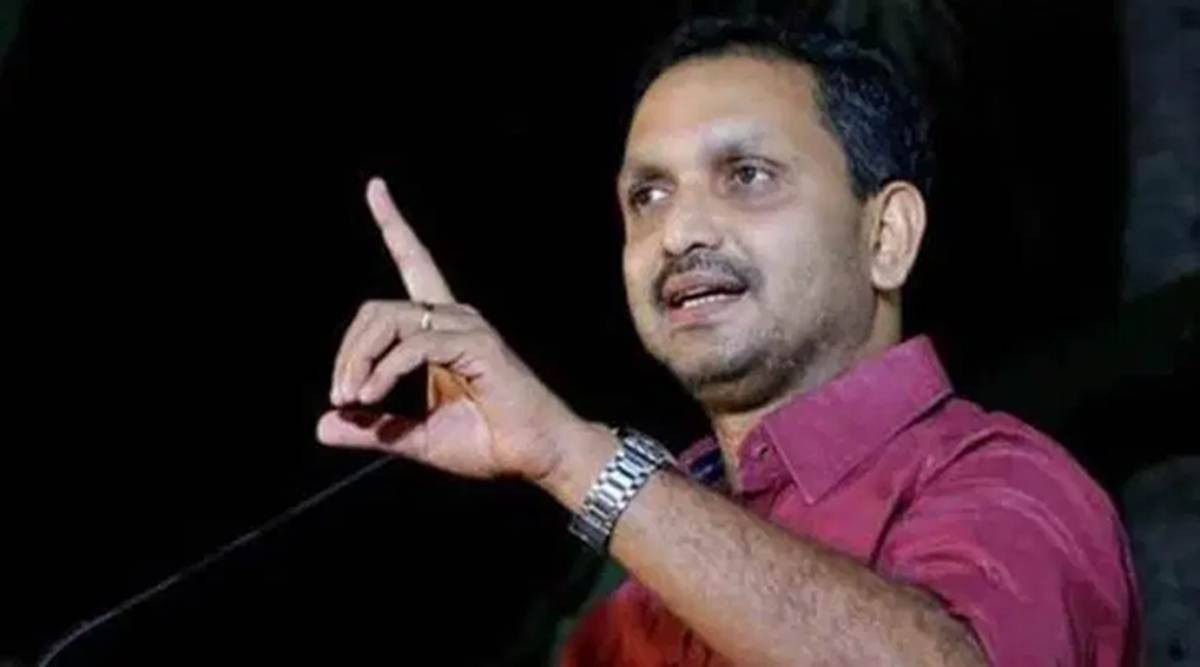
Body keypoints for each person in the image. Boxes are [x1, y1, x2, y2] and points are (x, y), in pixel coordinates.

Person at [317, 16, 1142, 666]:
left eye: (747, 176)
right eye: (647, 196)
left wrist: (574, 457)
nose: (679, 232)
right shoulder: (633, 597)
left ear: (886, 234)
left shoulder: (1011, 486)